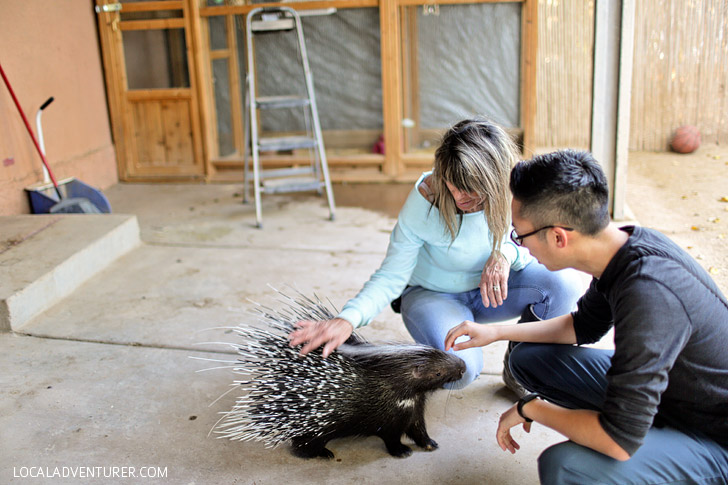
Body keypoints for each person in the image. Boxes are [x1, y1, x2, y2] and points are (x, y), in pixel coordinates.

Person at [445, 149, 728, 483]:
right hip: (670, 392)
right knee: (528, 359)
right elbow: (582, 327)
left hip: (712, 433)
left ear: (558, 237)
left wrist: (532, 409)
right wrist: (497, 333)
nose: (520, 246)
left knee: (566, 465)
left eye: (519, 235)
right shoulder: (623, 247)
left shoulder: (650, 295)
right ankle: (649, 433)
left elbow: (619, 441)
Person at [289, 118, 584, 390]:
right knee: (461, 371)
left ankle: (520, 367)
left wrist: (505, 254)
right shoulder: (425, 198)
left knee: (563, 285)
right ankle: (438, 335)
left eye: (470, 191)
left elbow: (531, 242)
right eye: (452, 186)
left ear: (495, 182)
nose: (458, 198)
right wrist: (347, 319)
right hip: (432, 295)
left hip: (490, 292)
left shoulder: (515, 186)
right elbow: (391, 275)